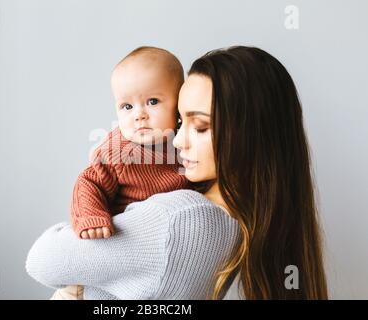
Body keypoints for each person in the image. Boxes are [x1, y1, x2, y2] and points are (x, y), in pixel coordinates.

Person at [26, 46, 328, 299]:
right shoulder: (244, 224)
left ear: (250, 135)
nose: (179, 140)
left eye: (200, 126)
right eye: (181, 122)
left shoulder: (179, 220)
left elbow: (42, 259)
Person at [63, 46, 192, 299]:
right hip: (106, 249)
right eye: (126, 106)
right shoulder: (119, 151)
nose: (139, 115)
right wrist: (91, 217)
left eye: (152, 102)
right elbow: (89, 183)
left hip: (144, 259)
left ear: (179, 107)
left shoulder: (186, 147)